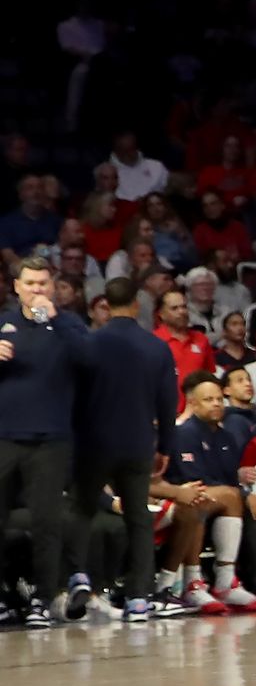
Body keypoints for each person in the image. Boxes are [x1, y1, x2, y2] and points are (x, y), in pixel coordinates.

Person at [75, 276, 180, 622]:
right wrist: (165, 445)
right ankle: (138, 598)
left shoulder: (89, 343)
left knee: (83, 514)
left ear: (105, 304)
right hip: (138, 443)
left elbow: (76, 398)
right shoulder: (156, 347)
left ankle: (85, 586)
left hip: (94, 443)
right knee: (139, 519)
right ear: (136, 304)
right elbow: (167, 403)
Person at [0, 256, 96, 627]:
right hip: (5, 437)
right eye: (30, 283)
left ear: (52, 287)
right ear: (17, 287)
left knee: (46, 523)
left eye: (43, 283)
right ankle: (8, 597)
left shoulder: (68, 324)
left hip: (51, 440)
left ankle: (42, 599)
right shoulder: (3, 323)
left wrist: (55, 318)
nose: (37, 289)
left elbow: (90, 361)